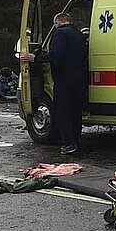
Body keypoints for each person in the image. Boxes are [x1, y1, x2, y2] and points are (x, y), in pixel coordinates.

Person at [21, 12, 87, 155]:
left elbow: (56, 55)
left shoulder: (60, 33)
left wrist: (35, 58)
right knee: (75, 112)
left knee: (61, 112)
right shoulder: (79, 34)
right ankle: (76, 140)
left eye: (55, 24)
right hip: (80, 78)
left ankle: (69, 143)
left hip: (64, 78)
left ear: (57, 22)